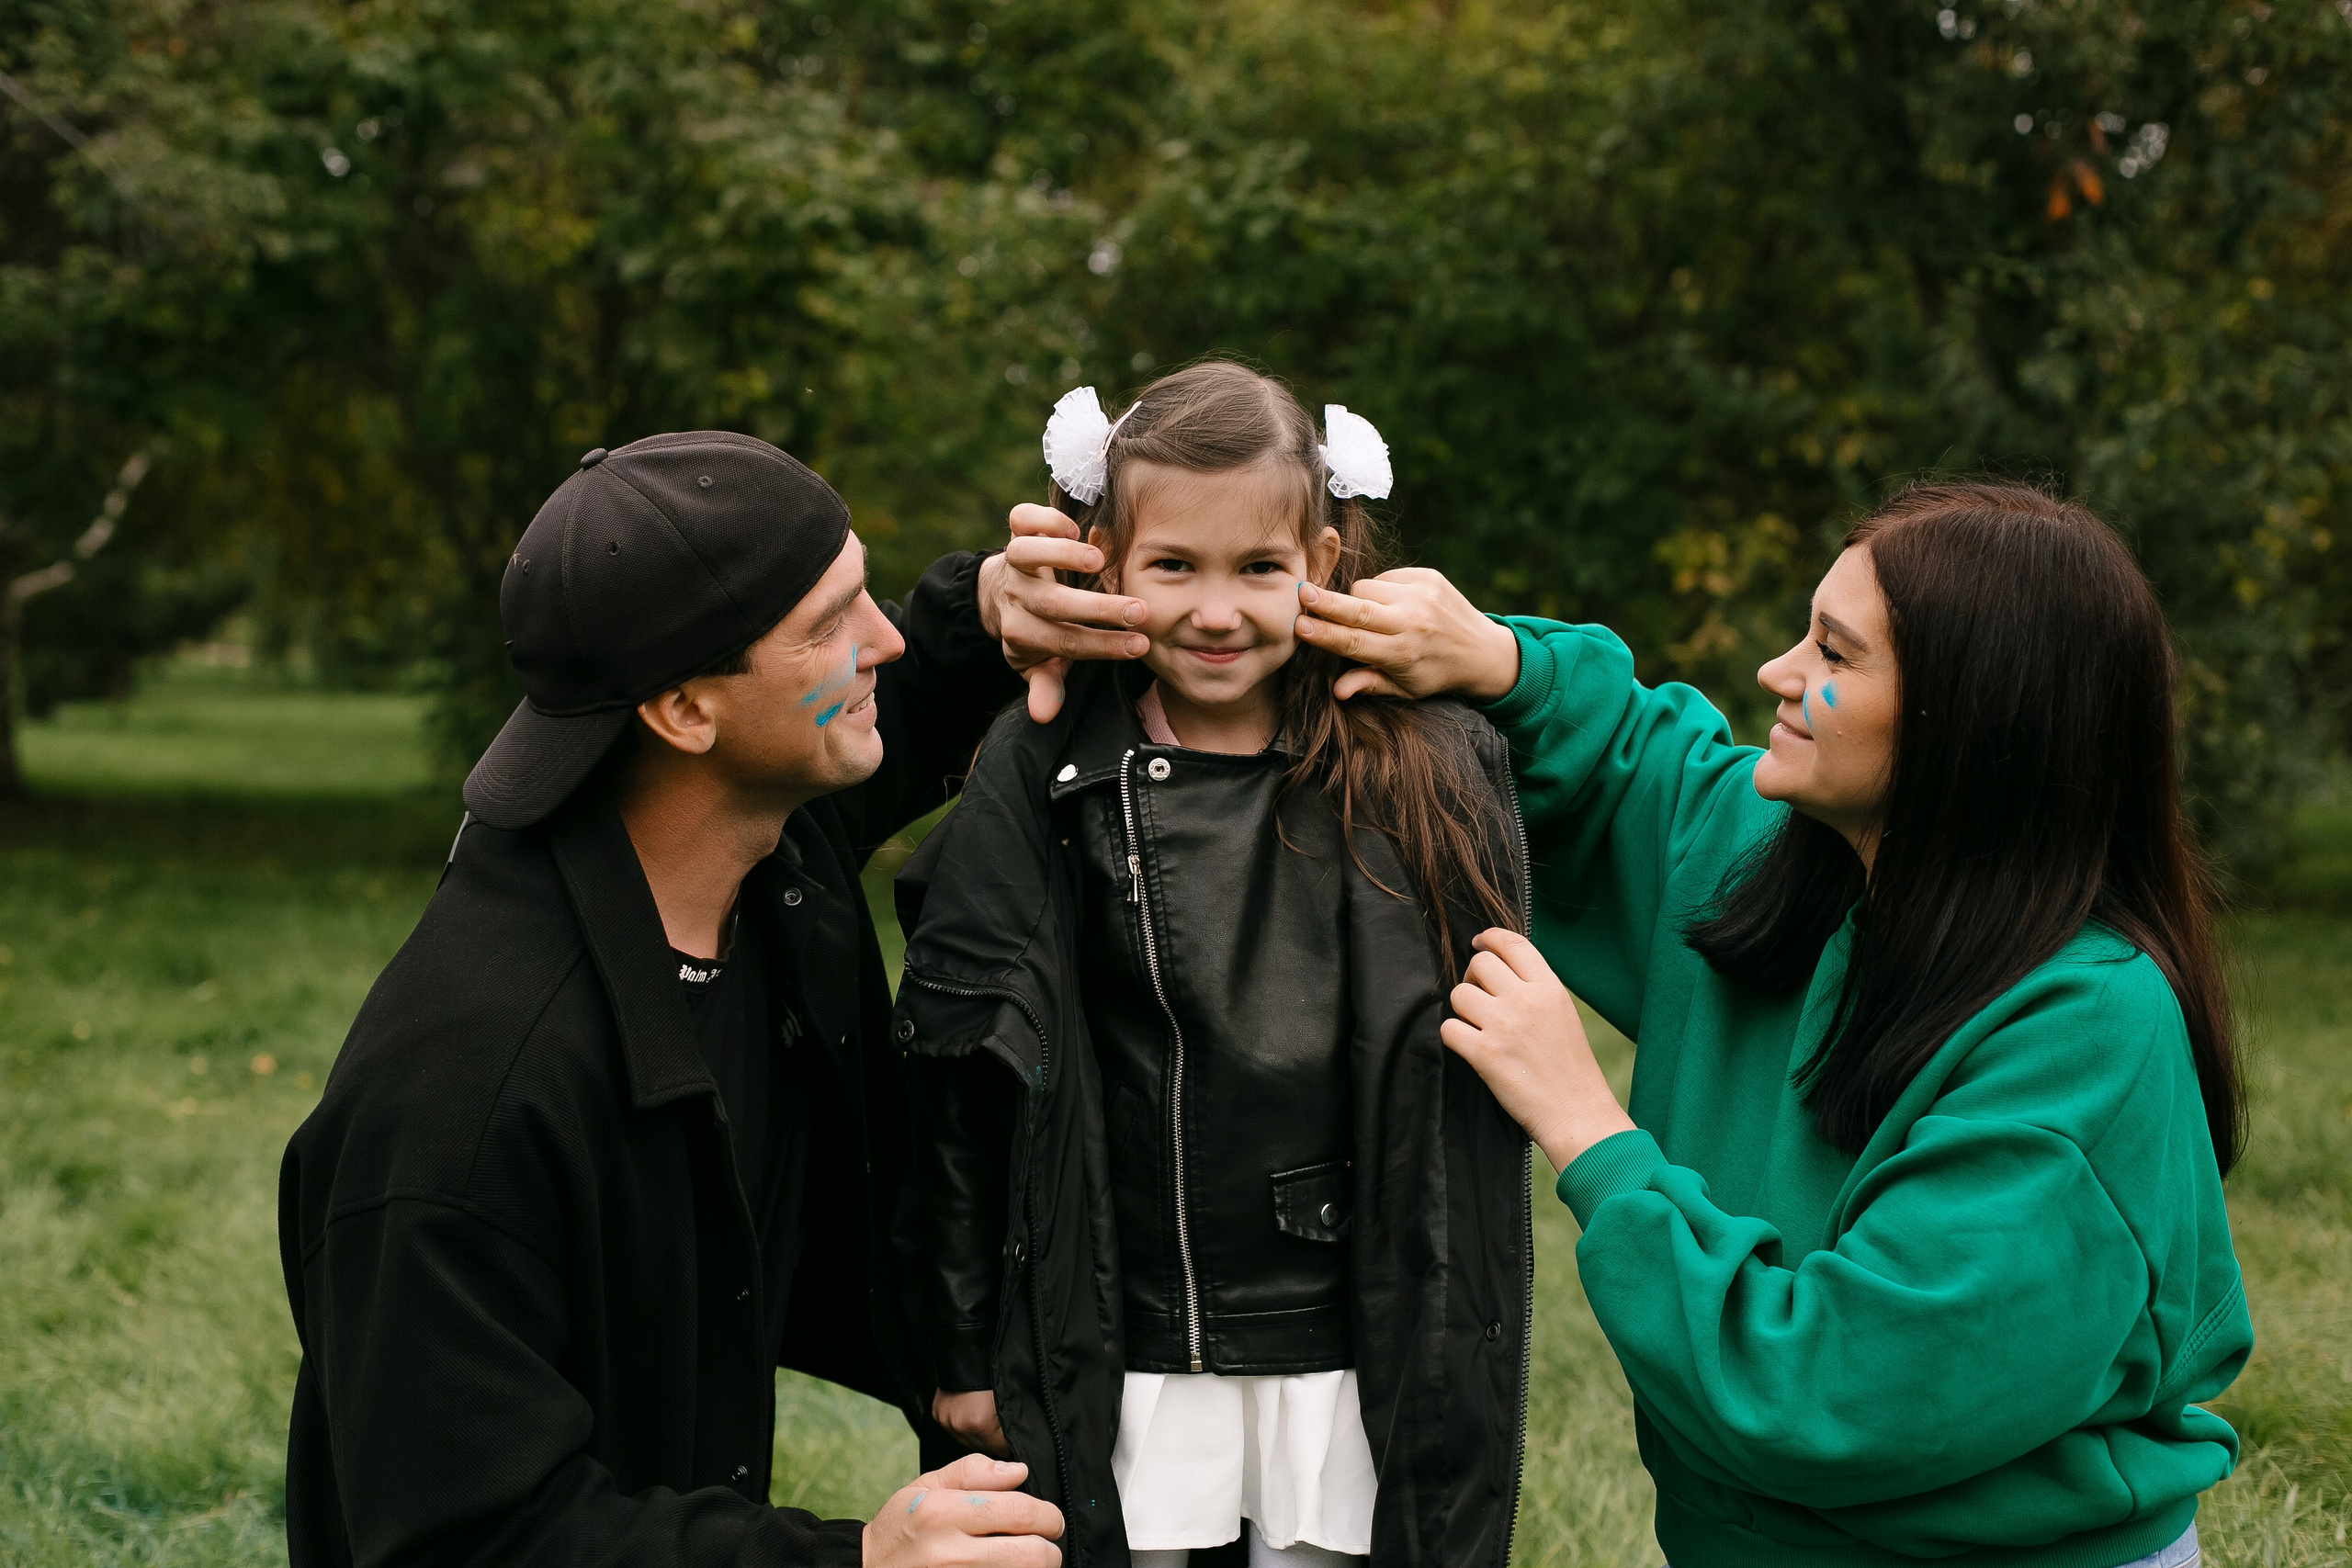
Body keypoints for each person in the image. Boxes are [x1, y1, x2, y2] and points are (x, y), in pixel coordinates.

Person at [1287, 481, 2250, 1568]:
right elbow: (1619, 764)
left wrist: (1586, 1128)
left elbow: (1828, 1395)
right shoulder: (1783, 859)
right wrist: (1495, 659)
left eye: (1833, 654)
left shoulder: (2087, 1033)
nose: (1776, 673)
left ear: (1971, 719)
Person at [277, 431, 1147, 1567]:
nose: (883, 638)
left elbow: (895, 694)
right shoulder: (463, 1105)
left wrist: (995, 606)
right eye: (831, 623)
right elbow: (470, 1534)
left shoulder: (756, 851)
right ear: (685, 711)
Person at [890, 362, 1535, 1568]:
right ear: (1103, 562)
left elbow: (1448, 1098)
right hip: (1119, 1324)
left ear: (1323, 562)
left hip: (1335, 1337)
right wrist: (964, 1341)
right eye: (1174, 566)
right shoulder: (1041, 764)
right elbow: (961, 1060)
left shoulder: (1414, 770)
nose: (1217, 610)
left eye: (1259, 568)